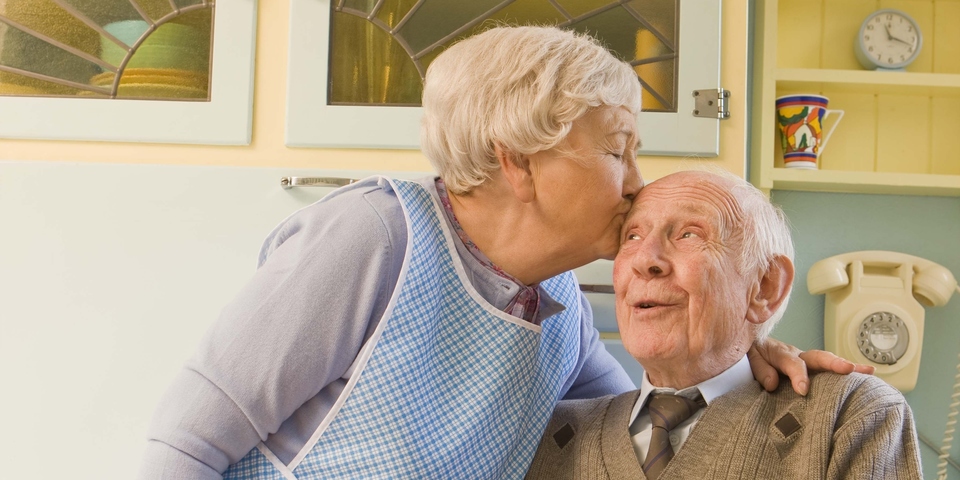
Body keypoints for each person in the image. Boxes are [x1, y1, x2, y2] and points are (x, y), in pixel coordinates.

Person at [139, 27, 864, 479]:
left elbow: (633, 429)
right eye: (617, 150)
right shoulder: (377, 237)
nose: (638, 182)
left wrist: (742, 353)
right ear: (517, 161)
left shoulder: (558, 309)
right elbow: (185, 444)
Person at [525, 169, 922, 479]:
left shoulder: (848, 416)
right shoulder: (553, 432)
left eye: (688, 234)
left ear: (765, 286)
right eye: (631, 236)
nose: (645, 259)